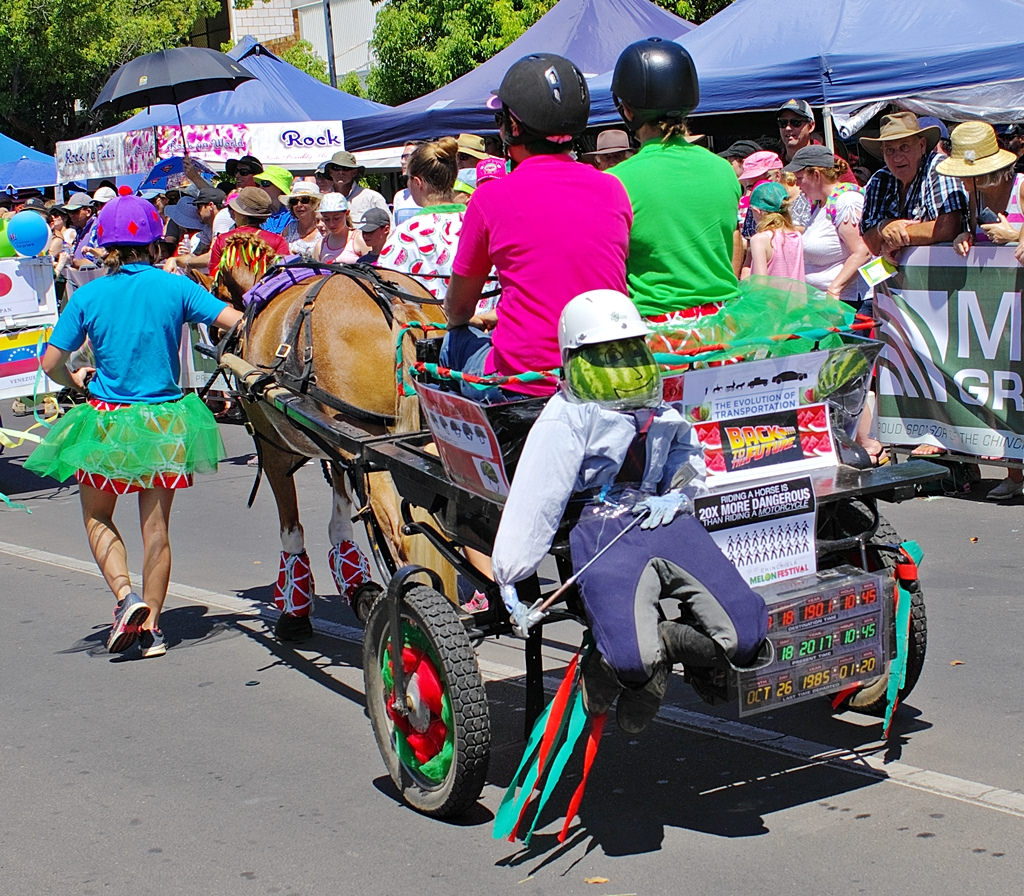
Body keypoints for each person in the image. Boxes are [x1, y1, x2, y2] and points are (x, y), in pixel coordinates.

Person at [491, 290, 768, 733]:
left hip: (662, 516)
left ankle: (671, 643)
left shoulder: (659, 409)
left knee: (748, 634)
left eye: (629, 353)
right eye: (605, 357)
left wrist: (680, 494)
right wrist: (511, 578)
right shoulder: (565, 417)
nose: (621, 369)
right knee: (632, 660)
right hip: (599, 527)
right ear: (575, 359)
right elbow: (537, 497)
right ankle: (631, 668)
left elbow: (688, 460)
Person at [24, 190, 243, 657]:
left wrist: (78, 378)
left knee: (98, 516)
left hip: (107, 419)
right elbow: (234, 321)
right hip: (165, 420)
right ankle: (154, 630)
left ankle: (126, 597)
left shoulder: (90, 294)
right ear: (155, 243)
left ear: (105, 244)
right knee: (157, 529)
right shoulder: (176, 287)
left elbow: (50, 363)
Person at [442, 52, 632, 400]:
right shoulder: (613, 189)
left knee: (451, 341)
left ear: (514, 127)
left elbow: (458, 309)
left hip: (523, 383)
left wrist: (465, 320)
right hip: (605, 375)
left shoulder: (490, 198)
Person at [607, 38, 740, 321]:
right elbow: (732, 243)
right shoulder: (723, 169)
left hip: (659, 336)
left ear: (628, 110)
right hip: (723, 331)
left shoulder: (615, 181)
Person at [936, 121, 1024, 500]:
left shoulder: (1023, 188)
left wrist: (1018, 235)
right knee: (1006, 389)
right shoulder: (975, 199)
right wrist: (963, 236)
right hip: (1000, 310)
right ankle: (1016, 473)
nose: (972, 181)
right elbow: (975, 235)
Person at [859, 112, 968, 260]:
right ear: (882, 152)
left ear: (922, 145)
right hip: (900, 279)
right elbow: (870, 242)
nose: (897, 157)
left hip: (943, 271)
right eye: (890, 150)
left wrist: (895, 235)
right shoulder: (879, 179)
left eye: (904, 147)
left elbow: (948, 228)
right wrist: (882, 228)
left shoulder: (939, 167)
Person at [379, 137, 466, 297]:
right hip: (490, 320)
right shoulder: (482, 223)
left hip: (431, 321)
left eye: (408, 179)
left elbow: (386, 290)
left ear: (418, 182)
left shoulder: (406, 234)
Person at [785, 144, 872, 306]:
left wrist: (834, 289)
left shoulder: (847, 201)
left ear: (816, 175)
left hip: (847, 304)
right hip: (822, 302)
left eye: (799, 178)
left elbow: (862, 252)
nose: (797, 186)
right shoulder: (819, 206)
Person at [207, 187, 290, 276]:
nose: (233, 213)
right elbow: (283, 275)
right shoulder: (277, 241)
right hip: (266, 288)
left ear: (241, 215)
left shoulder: (223, 240)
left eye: (235, 210)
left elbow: (214, 275)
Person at [744, 182, 805, 280]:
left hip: (770, 295)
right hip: (796, 295)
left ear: (756, 211)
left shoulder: (759, 239)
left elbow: (760, 283)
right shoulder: (796, 236)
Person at [161, 186, 226, 274]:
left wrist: (179, 261)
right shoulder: (207, 228)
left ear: (210, 206)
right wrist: (180, 258)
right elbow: (197, 254)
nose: (197, 211)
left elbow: (211, 257)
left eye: (199, 206)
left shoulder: (223, 218)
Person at [322, 150, 390, 226]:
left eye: (346, 168)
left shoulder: (372, 197)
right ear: (330, 172)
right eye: (336, 168)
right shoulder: (323, 200)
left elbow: (389, 227)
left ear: (354, 172)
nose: (341, 172)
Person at [315, 192, 360, 264]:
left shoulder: (358, 240)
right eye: (326, 219)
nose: (331, 224)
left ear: (347, 213)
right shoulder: (320, 245)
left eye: (336, 218)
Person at [280, 181, 322, 256]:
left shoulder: (323, 228)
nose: (299, 205)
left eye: (304, 200)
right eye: (294, 201)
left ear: (315, 203)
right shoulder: (289, 228)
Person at [253, 166, 295, 235]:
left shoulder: (293, 214)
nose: (260, 188)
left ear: (279, 188)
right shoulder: (255, 213)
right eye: (259, 184)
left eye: (265, 183)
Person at [392, 141, 423, 225]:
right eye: (402, 157)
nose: (402, 161)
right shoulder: (400, 197)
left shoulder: (432, 195)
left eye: (407, 157)